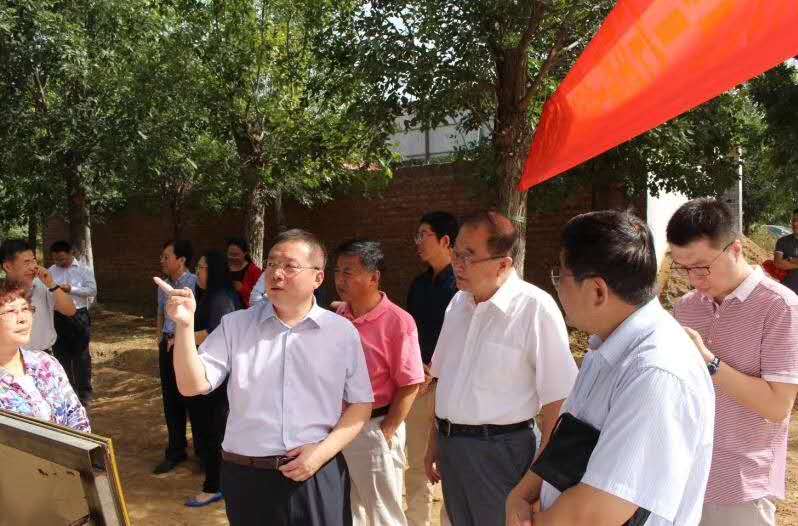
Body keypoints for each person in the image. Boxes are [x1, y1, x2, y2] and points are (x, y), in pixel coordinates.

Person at [506, 210, 715, 526]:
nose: (557, 288)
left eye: (560, 276)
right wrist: (520, 495)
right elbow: (568, 441)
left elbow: (598, 511)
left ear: (597, 291)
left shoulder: (656, 372)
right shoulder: (607, 345)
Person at [162, 228, 374, 526]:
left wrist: (320, 454)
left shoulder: (341, 333)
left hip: (316, 473)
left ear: (318, 277)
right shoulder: (235, 326)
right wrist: (184, 326)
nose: (276, 273)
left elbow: (361, 404)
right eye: (272, 264)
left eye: (290, 266)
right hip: (248, 477)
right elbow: (191, 385)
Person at [425, 210, 578, 526]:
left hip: (501, 452)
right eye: (455, 253)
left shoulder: (534, 308)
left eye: (469, 256)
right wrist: (434, 441)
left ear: (503, 264)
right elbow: (443, 379)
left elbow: (558, 402)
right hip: (452, 449)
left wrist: (541, 477)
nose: (457, 264)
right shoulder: (458, 304)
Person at [669, 199, 798, 526]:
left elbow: (777, 407)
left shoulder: (780, 307)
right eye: (683, 268)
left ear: (736, 249)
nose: (694, 279)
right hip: (682, 480)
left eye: (702, 267)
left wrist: (709, 363)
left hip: (741, 486)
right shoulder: (685, 308)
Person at [335, 239, 424, 526]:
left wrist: (386, 431)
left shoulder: (399, 322)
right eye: (337, 271)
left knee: (384, 515)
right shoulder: (338, 316)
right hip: (339, 428)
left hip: (374, 427)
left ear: (374, 277)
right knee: (351, 511)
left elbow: (410, 383)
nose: (340, 279)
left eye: (348, 272)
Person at [405, 211, 458, 526]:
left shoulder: (463, 288)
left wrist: (436, 370)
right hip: (419, 385)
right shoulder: (419, 284)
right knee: (414, 464)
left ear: (445, 240)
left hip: (451, 386)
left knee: (451, 465)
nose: (417, 241)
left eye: (423, 234)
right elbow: (410, 333)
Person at [183, 250, 242, 508]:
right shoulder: (211, 295)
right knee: (209, 431)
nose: (198, 272)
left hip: (217, 380)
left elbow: (215, 332)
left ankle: (214, 486)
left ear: (214, 270)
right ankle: (218, 482)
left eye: (202, 267)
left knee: (213, 431)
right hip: (209, 375)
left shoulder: (221, 297)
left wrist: (182, 336)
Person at [0, 279, 90, 432]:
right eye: (11, 311)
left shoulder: (45, 363)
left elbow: (77, 416)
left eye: (25, 308)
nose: (22, 319)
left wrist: (77, 446)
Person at [153, 239, 198, 475]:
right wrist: (159, 337)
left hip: (187, 346)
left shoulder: (194, 283)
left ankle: (203, 451)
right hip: (167, 345)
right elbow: (160, 312)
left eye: (166, 257)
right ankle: (176, 450)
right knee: (170, 399)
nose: (162, 261)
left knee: (192, 398)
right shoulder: (163, 285)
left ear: (181, 260)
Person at [0, 239, 76, 354]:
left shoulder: (43, 284)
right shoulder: (2, 294)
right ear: (8, 267)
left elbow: (70, 310)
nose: (33, 267)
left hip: (43, 354)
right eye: (26, 262)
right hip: (10, 357)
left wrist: (52, 284)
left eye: (34, 260)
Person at [48, 240, 97, 407]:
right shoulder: (50, 271)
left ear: (71, 253)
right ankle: (68, 393)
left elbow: (92, 290)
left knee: (81, 356)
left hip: (78, 315)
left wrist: (72, 289)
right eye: (56, 259)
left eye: (62, 258)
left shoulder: (84, 270)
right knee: (61, 355)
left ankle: (85, 393)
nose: (59, 262)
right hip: (58, 316)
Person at [226, 237, 263, 308]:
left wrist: (242, 289)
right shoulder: (223, 267)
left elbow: (261, 296)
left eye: (236, 255)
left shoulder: (254, 271)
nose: (233, 257)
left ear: (245, 253)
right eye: (230, 254)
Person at [774, 208, 798, 295]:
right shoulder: (782, 241)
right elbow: (778, 263)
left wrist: (789, 260)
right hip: (786, 292)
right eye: (793, 220)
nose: (795, 223)